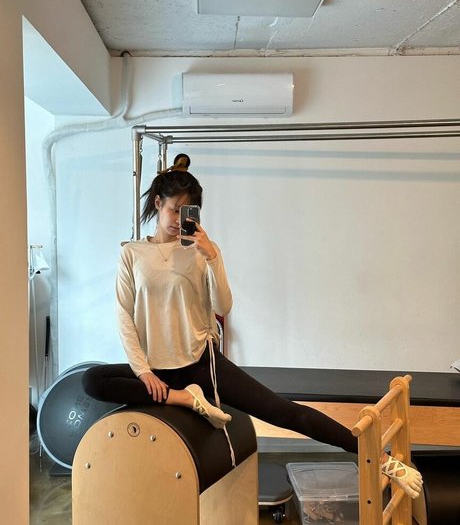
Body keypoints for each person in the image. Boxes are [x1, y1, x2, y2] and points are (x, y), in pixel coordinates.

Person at [83, 154, 422, 499]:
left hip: (201, 365)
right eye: (173, 210)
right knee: (91, 380)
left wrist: (212, 257)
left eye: (187, 212)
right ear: (158, 203)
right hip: (156, 371)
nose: (177, 219)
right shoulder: (132, 254)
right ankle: (184, 399)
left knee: (286, 412)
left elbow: (223, 306)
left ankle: (383, 460)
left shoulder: (201, 253)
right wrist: (143, 372)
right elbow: (124, 316)